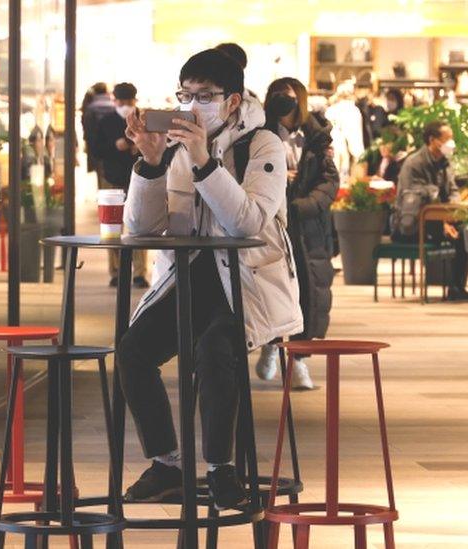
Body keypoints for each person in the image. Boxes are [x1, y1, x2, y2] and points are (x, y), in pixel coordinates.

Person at [117, 49, 302, 510]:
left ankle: (222, 470)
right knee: (132, 350)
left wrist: (204, 161)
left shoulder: (263, 146)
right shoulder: (174, 147)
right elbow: (139, 230)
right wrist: (152, 162)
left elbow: (247, 224)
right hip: (186, 283)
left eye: (205, 96)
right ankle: (167, 464)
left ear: (233, 100)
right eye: (185, 95)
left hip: (247, 288)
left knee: (215, 351)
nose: (192, 105)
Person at [254, 77, 339, 390]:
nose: (284, 102)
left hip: (309, 226)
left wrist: (304, 204)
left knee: (309, 290)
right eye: (277, 95)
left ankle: (300, 362)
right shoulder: (259, 133)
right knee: (274, 288)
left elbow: (330, 180)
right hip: (272, 222)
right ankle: (272, 347)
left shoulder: (317, 136)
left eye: (289, 96)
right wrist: (278, 181)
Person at [392, 120, 468, 300]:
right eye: (447, 138)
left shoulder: (444, 163)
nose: (451, 142)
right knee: (458, 236)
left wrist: (452, 212)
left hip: (438, 222)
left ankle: (456, 287)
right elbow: (412, 203)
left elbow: (453, 191)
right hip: (413, 225)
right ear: (432, 140)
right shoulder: (413, 164)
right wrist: (442, 223)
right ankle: (454, 288)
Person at [96, 82, 149, 288]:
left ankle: (139, 273)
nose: (125, 105)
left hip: (139, 178)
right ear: (114, 101)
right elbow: (96, 149)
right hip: (112, 178)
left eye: (129, 101)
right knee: (111, 227)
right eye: (121, 101)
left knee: (139, 227)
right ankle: (116, 271)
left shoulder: (144, 120)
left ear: (135, 101)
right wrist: (114, 146)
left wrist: (141, 146)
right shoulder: (106, 121)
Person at [81, 82, 115, 187]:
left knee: (101, 176)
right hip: (115, 148)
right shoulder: (114, 107)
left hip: (97, 149)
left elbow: (88, 132)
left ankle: (103, 196)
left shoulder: (90, 108)